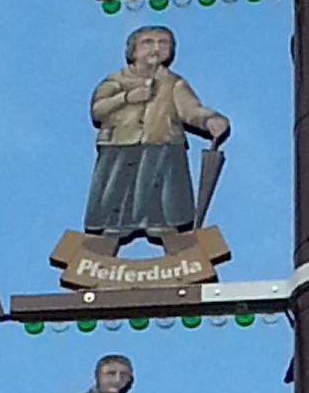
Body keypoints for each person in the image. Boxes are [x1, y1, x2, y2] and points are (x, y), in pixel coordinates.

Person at [84, 26, 230, 242]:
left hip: (162, 143)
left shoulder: (173, 83)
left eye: (163, 43)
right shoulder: (116, 80)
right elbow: (98, 109)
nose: (156, 48)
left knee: (160, 185)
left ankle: (162, 225)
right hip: (121, 143)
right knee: (119, 185)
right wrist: (127, 98)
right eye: (148, 42)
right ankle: (114, 226)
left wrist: (210, 119)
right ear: (133, 50)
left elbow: (190, 109)